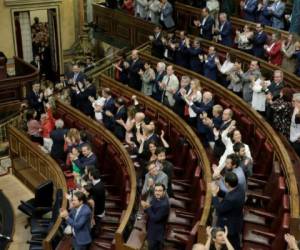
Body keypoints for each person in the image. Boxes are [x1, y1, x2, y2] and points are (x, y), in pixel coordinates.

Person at [210, 172, 245, 250]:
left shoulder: (231, 199)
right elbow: (227, 194)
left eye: (224, 180)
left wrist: (214, 194)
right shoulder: (239, 187)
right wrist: (219, 191)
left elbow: (219, 209)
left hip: (229, 225)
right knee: (236, 241)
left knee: (231, 243)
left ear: (227, 184)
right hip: (237, 219)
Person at [141, 183, 170, 250]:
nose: (157, 192)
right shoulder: (155, 197)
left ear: (164, 191)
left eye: (160, 190)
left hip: (157, 230)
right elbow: (151, 207)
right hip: (151, 224)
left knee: (152, 247)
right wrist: (146, 206)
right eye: (156, 190)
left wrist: (147, 207)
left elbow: (155, 218)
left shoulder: (164, 205)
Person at [89, 168, 105, 237]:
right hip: (101, 206)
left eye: (89, 174)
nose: (88, 175)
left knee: (96, 223)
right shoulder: (99, 182)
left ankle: (95, 234)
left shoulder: (97, 188)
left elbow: (93, 201)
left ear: (92, 176)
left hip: (98, 210)